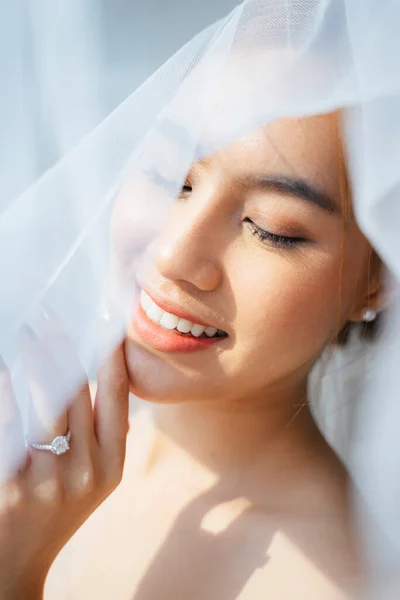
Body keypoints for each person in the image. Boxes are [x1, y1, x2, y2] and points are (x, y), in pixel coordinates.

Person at [0, 110, 386, 599]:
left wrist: (15, 574)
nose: (173, 254)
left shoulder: (333, 582)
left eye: (271, 229)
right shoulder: (29, 427)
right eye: (170, 178)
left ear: (380, 279)